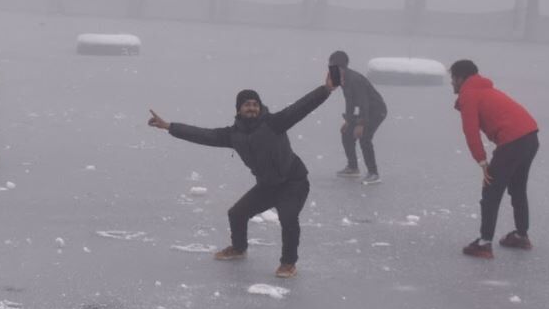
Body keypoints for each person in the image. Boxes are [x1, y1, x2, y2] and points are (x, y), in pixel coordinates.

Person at [148, 73, 334, 278]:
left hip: (293, 182)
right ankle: (238, 248)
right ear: (239, 109)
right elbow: (203, 135)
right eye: (247, 104)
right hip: (268, 185)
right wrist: (169, 127)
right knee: (237, 213)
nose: (252, 108)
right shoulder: (233, 135)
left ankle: (288, 264)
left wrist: (325, 90)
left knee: (288, 218)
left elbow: (301, 107)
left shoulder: (275, 123)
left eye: (255, 104)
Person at [450, 59, 539, 259]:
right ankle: (521, 235)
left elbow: (470, 131)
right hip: (530, 136)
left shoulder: (469, 95)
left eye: (453, 78)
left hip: (513, 141)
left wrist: (482, 162)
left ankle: (484, 243)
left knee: (491, 191)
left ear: (460, 78)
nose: (451, 83)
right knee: (517, 187)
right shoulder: (483, 89)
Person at [329, 50, 387, 184]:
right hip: (365, 111)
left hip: (377, 111)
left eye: (331, 67)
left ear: (339, 68)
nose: (330, 70)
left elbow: (363, 103)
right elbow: (350, 101)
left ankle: (374, 173)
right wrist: (348, 121)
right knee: (346, 132)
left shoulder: (355, 80)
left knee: (364, 137)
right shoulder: (343, 79)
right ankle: (353, 167)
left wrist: (360, 124)